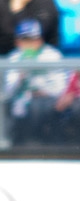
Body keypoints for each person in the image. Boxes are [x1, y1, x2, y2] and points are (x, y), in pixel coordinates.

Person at [4, 18, 68, 146]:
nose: (29, 44)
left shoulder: (52, 56)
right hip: (20, 106)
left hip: (49, 102)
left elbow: (61, 87)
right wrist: (21, 76)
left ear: (40, 40)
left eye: (32, 40)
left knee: (38, 106)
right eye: (25, 40)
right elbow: (8, 91)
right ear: (18, 42)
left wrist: (44, 92)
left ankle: (46, 145)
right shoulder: (14, 58)